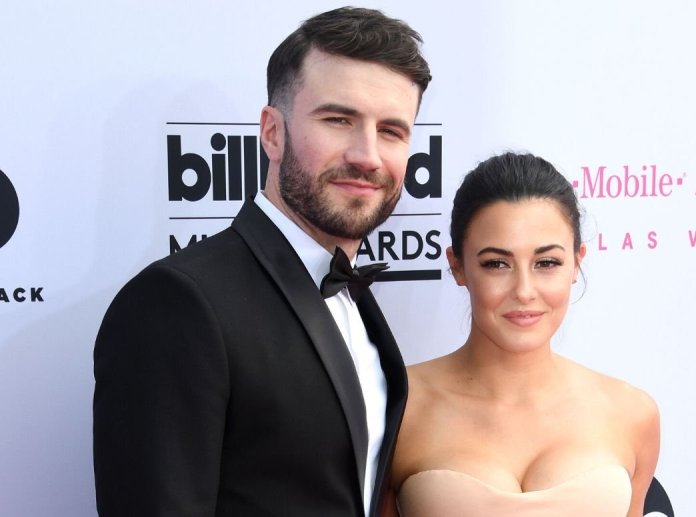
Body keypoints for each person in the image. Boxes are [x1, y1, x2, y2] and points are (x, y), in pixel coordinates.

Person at [93, 7, 431, 517]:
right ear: (272, 133)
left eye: (391, 130)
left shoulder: (354, 299)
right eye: (339, 119)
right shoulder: (178, 303)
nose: (367, 155)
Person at [384, 152, 660, 517]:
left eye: (546, 263)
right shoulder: (398, 407)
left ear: (576, 263)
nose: (525, 290)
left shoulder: (631, 413)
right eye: (497, 264)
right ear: (458, 266)